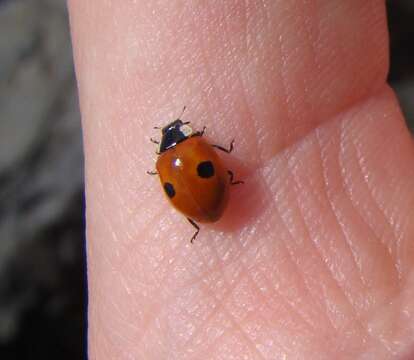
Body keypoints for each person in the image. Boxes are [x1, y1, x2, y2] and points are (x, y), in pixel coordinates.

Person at [68, 1, 414, 358]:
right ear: (182, 134)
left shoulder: (167, 162)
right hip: (211, 201)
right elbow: (211, 155)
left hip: (204, 211)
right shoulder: (190, 148)